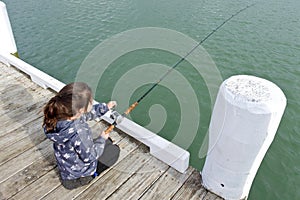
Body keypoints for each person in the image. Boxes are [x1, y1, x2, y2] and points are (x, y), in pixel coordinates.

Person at [43, 82, 120, 189]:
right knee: (114, 151)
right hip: (80, 176)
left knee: (106, 143)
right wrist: (102, 139)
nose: (92, 102)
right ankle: (91, 176)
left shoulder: (59, 115)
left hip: (67, 170)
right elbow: (90, 157)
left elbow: (87, 114)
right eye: (91, 101)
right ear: (80, 110)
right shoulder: (80, 132)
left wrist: (105, 107)